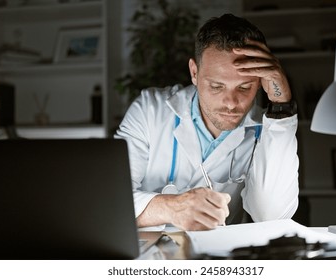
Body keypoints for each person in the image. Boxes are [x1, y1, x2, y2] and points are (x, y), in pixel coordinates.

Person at [115, 14, 299, 231]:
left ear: (260, 82)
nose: (231, 103)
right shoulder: (149, 110)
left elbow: (272, 217)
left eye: (244, 87)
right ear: (194, 72)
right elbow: (111, 201)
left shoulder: (266, 129)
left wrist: (281, 109)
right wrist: (174, 208)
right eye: (216, 86)